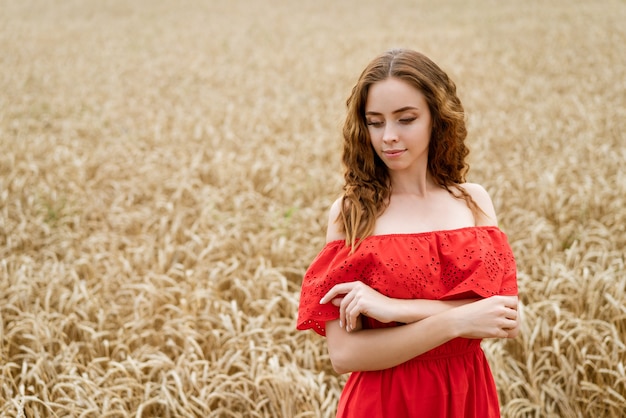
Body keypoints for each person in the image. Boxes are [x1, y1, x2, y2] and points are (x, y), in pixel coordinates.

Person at [296, 49, 520, 417]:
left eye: (406, 119)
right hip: (384, 402)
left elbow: (505, 319)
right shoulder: (352, 214)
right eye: (375, 122)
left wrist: (395, 309)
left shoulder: (473, 202)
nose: (389, 137)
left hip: (467, 398)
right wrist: (458, 320)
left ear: (437, 118)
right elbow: (345, 354)